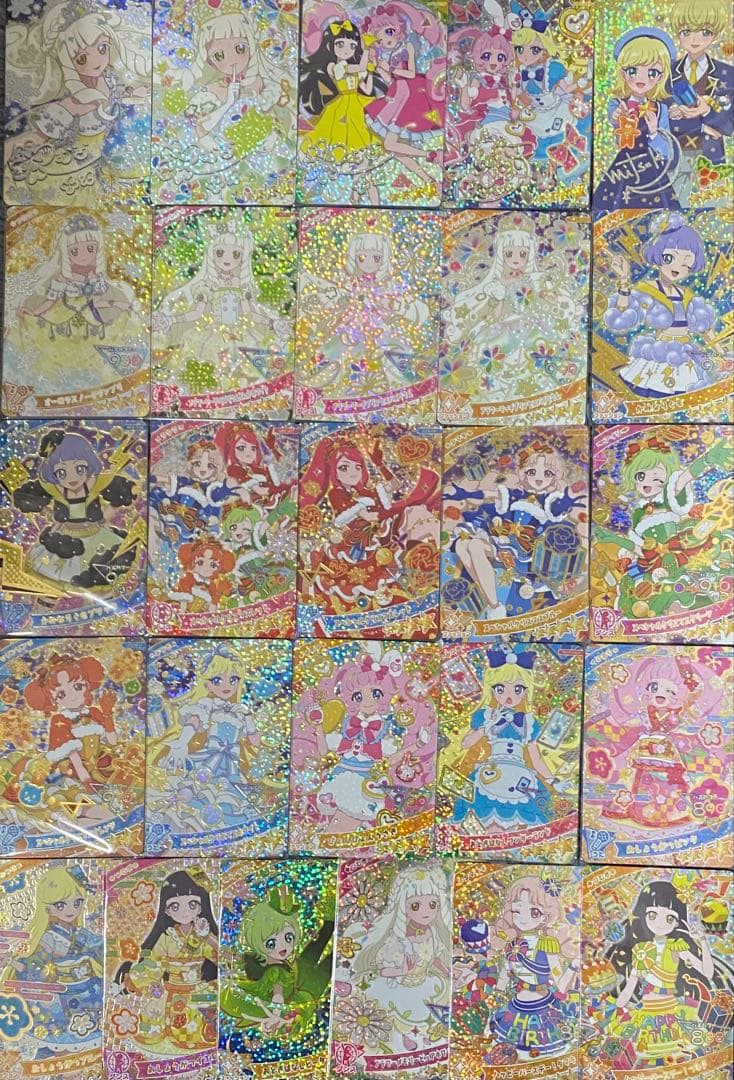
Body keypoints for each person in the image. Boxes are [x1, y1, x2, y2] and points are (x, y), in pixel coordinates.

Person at [668, 0, 734, 206]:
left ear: (715, 34)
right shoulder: (666, 72)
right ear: (677, 33)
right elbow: (661, 118)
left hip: (711, 157)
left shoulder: (727, 73)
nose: (695, 39)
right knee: (674, 208)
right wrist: (703, 125)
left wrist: (708, 112)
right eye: (686, 32)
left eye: (705, 32)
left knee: (713, 209)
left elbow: (729, 124)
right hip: (675, 155)